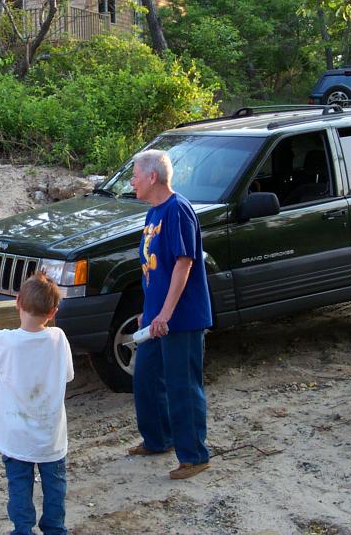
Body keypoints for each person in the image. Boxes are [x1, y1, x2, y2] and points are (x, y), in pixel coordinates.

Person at [127, 149, 212, 480]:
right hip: (156, 318)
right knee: (146, 379)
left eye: (135, 175)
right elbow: (154, 270)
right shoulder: (153, 212)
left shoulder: (178, 210)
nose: (132, 181)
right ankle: (158, 439)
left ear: (152, 177)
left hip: (181, 318)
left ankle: (195, 456)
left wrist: (165, 313)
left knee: (182, 386)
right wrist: (148, 311)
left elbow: (183, 262)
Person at [0, 272, 74, 535]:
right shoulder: (59, 338)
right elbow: (68, 375)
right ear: (53, 312)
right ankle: (55, 528)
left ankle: (23, 529)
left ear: (17, 302)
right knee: (55, 485)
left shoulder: (6, 341)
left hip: (16, 436)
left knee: (18, 484)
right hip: (51, 435)